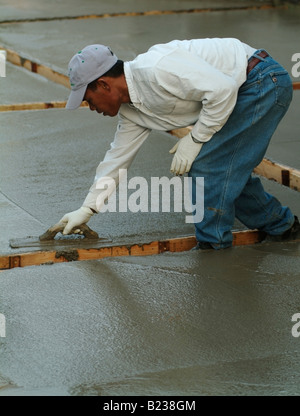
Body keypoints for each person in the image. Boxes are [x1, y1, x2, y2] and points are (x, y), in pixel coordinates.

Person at [56, 39, 299, 249]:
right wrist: (87, 209)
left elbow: (222, 89)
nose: (91, 107)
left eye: (88, 99)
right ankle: (283, 227)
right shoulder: (131, 111)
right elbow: (117, 158)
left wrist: (195, 138)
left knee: (206, 165)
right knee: (226, 172)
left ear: (104, 85)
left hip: (262, 80)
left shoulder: (158, 69)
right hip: (243, 90)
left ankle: (213, 246)